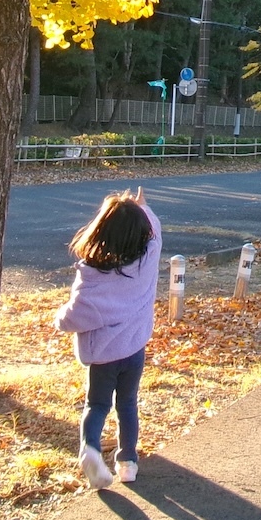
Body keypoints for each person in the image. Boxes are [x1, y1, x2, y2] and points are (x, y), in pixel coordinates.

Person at [54, 189, 162, 488]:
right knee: (127, 403)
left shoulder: (92, 279)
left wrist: (58, 316)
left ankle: (90, 450)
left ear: (99, 230)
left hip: (102, 356)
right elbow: (155, 233)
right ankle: (127, 462)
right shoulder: (148, 259)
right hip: (134, 349)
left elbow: (71, 319)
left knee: (97, 405)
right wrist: (144, 207)